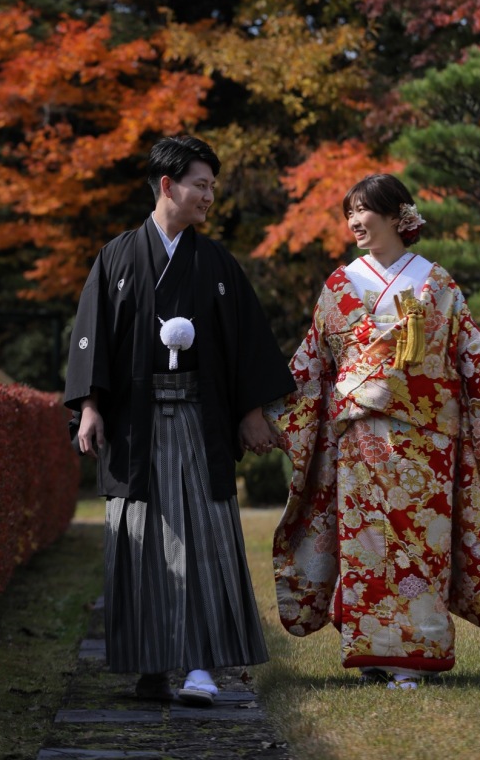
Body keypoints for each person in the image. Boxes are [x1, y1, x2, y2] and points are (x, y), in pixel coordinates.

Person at [265, 173, 480, 690]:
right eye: (349, 213)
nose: (354, 222)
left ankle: (415, 655)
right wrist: (268, 411)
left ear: (396, 216)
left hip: (425, 439)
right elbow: (312, 362)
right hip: (359, 440)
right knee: (364, 546)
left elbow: (470, 348)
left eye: (363, 210)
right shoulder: (340, 284)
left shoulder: (436, 281)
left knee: (420, 547)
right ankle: (370, 651)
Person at [64, 135, 295, 705]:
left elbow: (245, 343)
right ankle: (150, 666)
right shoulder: (116, 257)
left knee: (202, 536)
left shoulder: (215, 262)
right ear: (168, 186)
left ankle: (198, 667)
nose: (209, 196)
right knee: (139, 540)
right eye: (202, 185)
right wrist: (90, 407)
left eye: (212, 187)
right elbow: (91, 341)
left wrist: (250, 412)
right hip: (134, 427)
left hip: (199, 420)